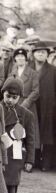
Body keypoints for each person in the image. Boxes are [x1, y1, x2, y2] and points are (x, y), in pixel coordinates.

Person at [0, 77, 35, 193]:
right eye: (8, 96)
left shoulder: (26, 115)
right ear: (3, 93)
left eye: (14, 98)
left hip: (15, 157)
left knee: (11, 188)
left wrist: (30, 160)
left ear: (20, 98)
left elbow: (31, 139)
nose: (10, 100)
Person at [30, 41, 56, 171]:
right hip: (31, 104)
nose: (41, 54)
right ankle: (33, 160)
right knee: (32, 132)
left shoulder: (53, 70)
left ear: (47, 55)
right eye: (38, 51)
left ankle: (46, 162)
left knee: (47, 133)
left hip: (48, 106)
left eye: (43, 52)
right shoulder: (28, 68)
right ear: (33, 54)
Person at [8, 48, 40, 150]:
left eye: (22, 57)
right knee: (15, 131)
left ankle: (30, 158)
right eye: (18, 57)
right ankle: (16, 156)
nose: (20, 58)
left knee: (29, 130)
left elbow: (36, 91)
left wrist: (26, 103)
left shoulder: (32, 73)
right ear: (15, 59)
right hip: (14, 104)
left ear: (26, 59)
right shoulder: (12, 72)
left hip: (28, 105)